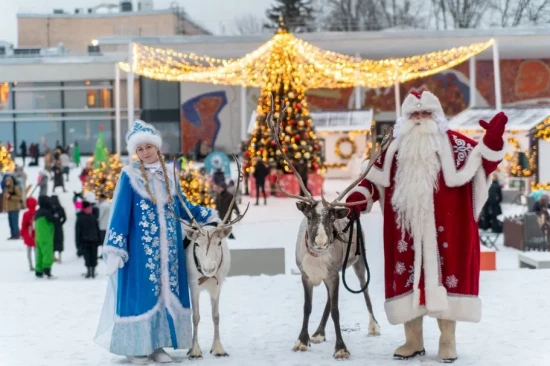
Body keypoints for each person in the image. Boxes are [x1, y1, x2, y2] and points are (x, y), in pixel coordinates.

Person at [345, 90, 508, 363]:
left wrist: (493, 140)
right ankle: (413, 340)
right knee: (408, 279)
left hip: (449, 227)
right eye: (414, 114)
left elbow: (485, 163)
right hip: (405, 230)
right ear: (405, 119)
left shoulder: (457, 146)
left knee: (446, 277)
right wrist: (354, 202)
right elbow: (370, 181)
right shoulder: (392, 150)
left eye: (426, 113)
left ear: (438, 116)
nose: (420, 119)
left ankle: (447, 340)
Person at [94, 120, 219, 364]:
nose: (145, 152)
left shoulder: (169, 173)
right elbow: (119, 212)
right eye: (139, 149)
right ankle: (136, 347)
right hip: (141, 253)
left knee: (165, 296)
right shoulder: (129, 175)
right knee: (143, 296)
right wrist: (115, 249)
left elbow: (182, 206)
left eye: (148, 147)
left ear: (157, 146)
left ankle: (157, 345)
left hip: (169, 252)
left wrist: (207, 215)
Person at [76, 201, 101, 278]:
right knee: (87, 257)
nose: (90, 209)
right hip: (85, 241)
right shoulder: (80, 218)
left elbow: (97, 229)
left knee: (93, 257)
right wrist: (78, 244)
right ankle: (89, 271)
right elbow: (78, 232)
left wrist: (99, 239)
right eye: (88, 208)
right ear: (84, 209)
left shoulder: (93, 217)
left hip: (94, 241)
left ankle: (92, 271)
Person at [34, 196, 55, 279]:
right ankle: (47, 269)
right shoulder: (46, 213)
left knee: (39, 254)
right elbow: (53, 220)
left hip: (38, 237)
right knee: (47, 253)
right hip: (46, 236)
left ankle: (38, 270)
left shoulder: (38, 212)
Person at [2, 175, 22, 240]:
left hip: (15, 208)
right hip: (9, 208)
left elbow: (19, 197)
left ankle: (16, 234)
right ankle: (12, 234)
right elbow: (5, 199)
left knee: (14, 222)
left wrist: (11, 197)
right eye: (6, 181)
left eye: (8, 181)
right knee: (10, 222)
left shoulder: (15, 188)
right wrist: (4, 207)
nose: (7, 183)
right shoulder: (6, 189)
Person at [21, 197, 37, 271]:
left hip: (28, 234)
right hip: (36, 233)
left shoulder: (26, 214)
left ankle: (30, 265)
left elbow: (23, 225)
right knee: (36, 250)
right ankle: (38, 264)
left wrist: (22, 233)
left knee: (29, 251)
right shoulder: (37, 212)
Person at [50, 195, 67, 263]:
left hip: (52, 227)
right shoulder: (61, 208)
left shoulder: (50, 208)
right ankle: (60, 257)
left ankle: (53, 257)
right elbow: (65, 218)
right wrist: (60, 223)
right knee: (59, 241)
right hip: (59, 227)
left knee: (53, 241)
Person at [97, 193, 111, 258]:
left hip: (102, 226)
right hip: (108, 225)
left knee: (103, 241)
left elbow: (100, 216)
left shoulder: (102, 206)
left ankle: (103, 254)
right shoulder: (109, 204)